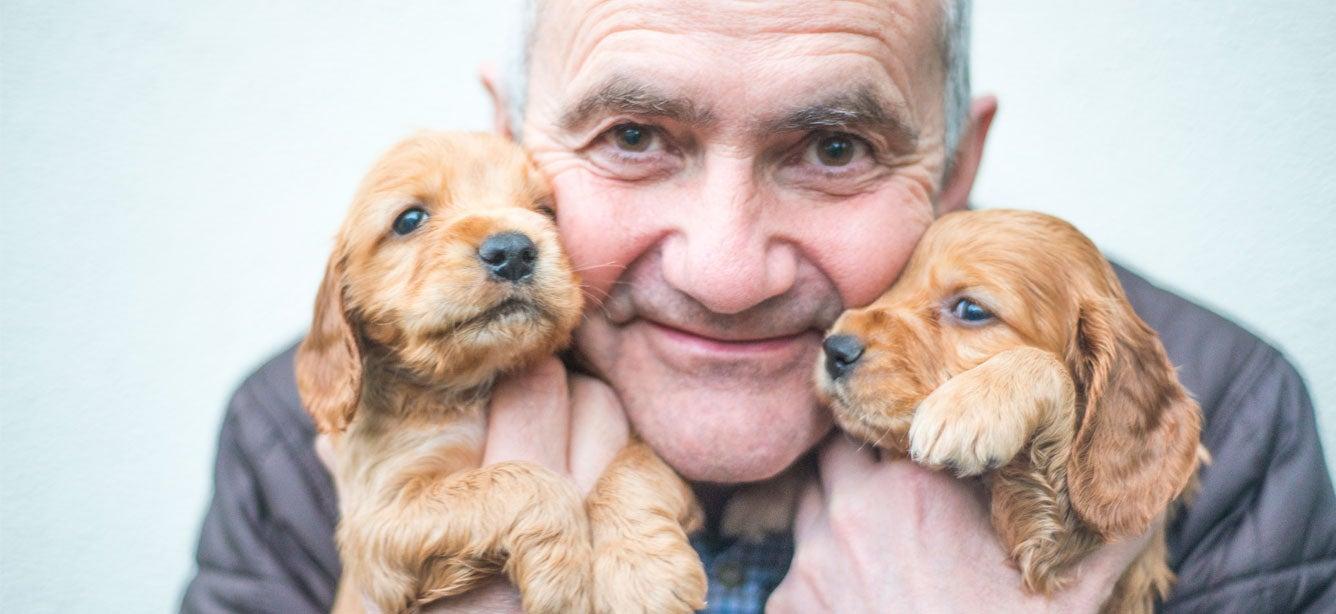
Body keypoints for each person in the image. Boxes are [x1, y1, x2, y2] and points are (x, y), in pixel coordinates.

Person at [180, 1, 1336, 612]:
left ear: (953, 171)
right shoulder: (315, 437)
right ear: (511, 144)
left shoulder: (1205, 426)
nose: (728, 272)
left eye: (833, 146)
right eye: (633, 138)